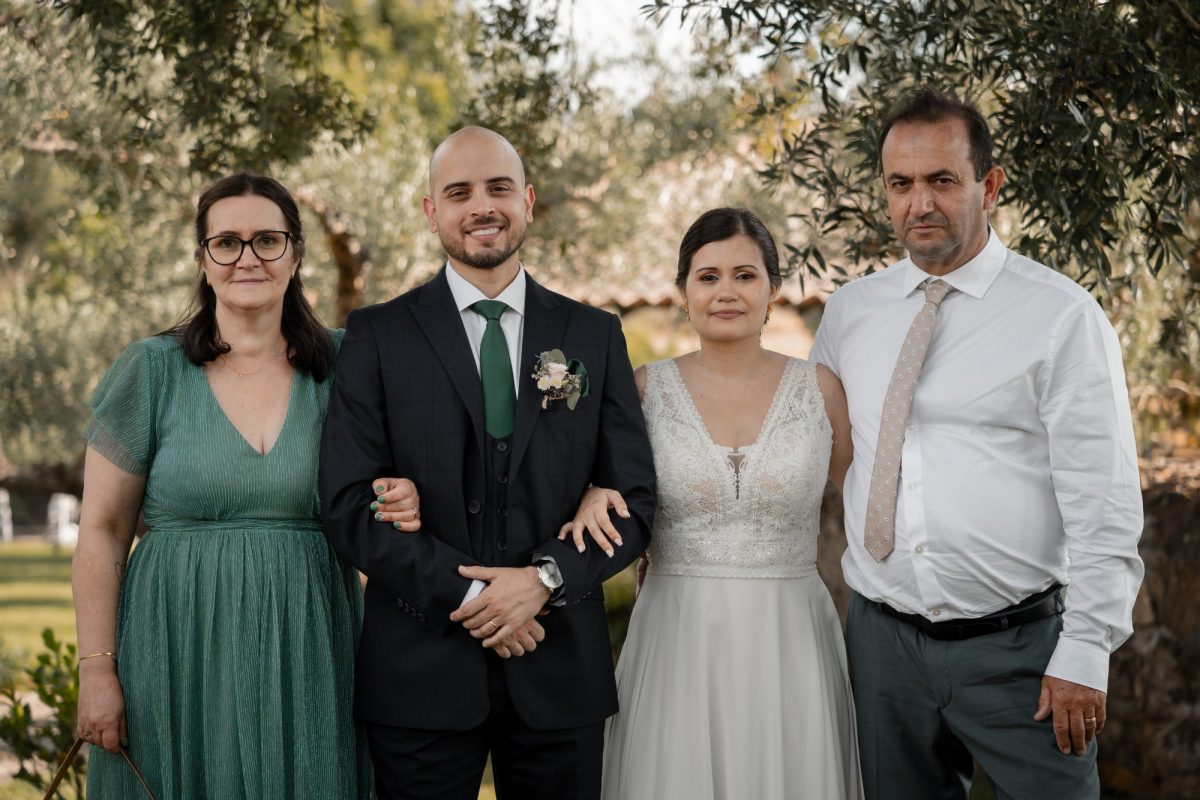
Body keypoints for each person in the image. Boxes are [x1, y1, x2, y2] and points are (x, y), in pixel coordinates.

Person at [809, 87, 1145, 799]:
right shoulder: (849, 313)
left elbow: (1104, 499)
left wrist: (1086, 650)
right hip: (882, 646)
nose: (919, 203)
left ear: (988, 186)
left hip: (1022, 652)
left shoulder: (1061, 317)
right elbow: (821, 451)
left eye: (942, 180)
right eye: (900, 183)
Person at [318, 126, 656, 800]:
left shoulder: (593, 334)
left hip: (559, 667)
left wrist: (545, 579)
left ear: (526, 201)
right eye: (459, 193)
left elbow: (634, 501)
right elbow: (349, 504)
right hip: (419, 673)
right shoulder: (377, 335)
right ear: (431, 211)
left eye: (499, 188)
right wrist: (477, 597)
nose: (482, 206)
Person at [72, 173, 415, 798]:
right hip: (172, 647)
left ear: (296, 253)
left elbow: (398, 479)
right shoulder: (151, 371)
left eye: (267, 240)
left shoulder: (348, 366)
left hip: (312, 645)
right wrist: (96, 670)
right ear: (203, 260)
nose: (247, 258)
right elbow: (102, 529)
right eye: (226, 242)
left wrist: (403, 495)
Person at [564, 207, 863, 799]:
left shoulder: (820, 390)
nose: (726, 291)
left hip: (791, 639)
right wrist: (594, 488)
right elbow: (590, 484)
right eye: (708, 277)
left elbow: (870, 504)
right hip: (677, 636)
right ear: (683, 292)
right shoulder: (642, 389)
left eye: (745, 275)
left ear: (773, 289)